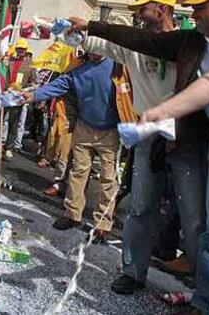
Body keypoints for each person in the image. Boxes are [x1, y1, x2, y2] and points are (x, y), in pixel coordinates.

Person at [69, 0, 209, 295]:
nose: (137, 14)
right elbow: (98, 43)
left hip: (186, 137)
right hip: (148, 134)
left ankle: (204, 290)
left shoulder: (190, 43)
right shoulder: (135, 43)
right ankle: (133, 271)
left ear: (162, 9)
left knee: (193, 214)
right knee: (141, 205)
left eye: (143, 7)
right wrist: (69, 32)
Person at [140, 0, 209, 315]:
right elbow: (143, 39)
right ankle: (207, 303)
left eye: (201, 7)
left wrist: (164, 110)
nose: (194, 13)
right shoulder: (196, 41)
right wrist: (91, 25)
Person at [23, 53, 136, 243]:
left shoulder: (118, 65)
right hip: (84, 126)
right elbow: (58, 85)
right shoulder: (78, 67)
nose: (95, 51)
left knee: (108, 178)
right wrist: (33, 95)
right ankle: (72, 215)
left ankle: (102, 224)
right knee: (78, 171)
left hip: (111, 131)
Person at [0, 39, 37, 160]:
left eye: (22, 50)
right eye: (18, 49)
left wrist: (24, 90)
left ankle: (9, 148)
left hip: (18, 97)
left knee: (14, 123)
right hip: (6, 94)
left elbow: (35, 83)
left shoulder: (31, 65)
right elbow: (1, 73)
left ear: (26, 51)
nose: (20, 51)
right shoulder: (9, 61)